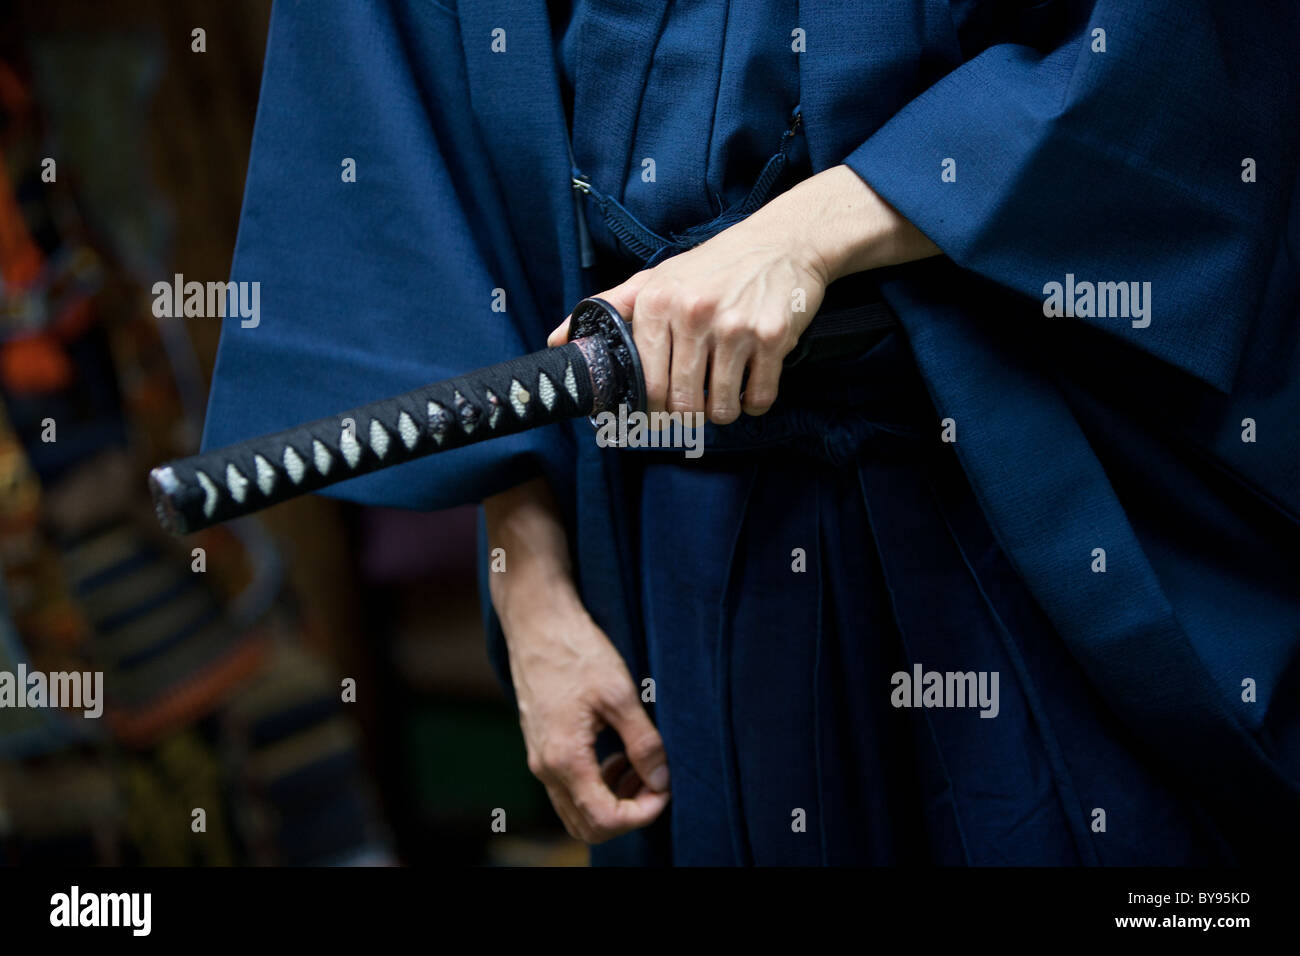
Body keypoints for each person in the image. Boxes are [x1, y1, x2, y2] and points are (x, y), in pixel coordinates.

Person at [203, 0, 1300, 864]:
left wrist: (817, 227)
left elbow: (1183, 46)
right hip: (672, 519)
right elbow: (411, 95)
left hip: (1023, 466)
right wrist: (526, 576)